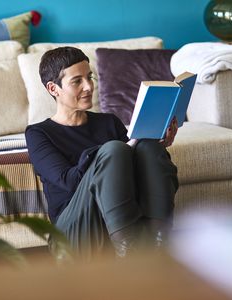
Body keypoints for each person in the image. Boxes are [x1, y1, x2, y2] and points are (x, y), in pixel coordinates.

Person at [25, 46, 179, 259]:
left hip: (115, 223)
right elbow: (68, 182)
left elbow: (135, 173)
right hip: (73, 234)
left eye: (89, 77)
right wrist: (104, 155)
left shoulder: (109, 122)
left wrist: (159, 144)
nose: (89, 86)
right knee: (114, 149)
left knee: (148, 147)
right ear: (53, 88)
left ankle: (160, 242)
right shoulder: (39, 134)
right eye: (77, 81)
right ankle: (130, 254)